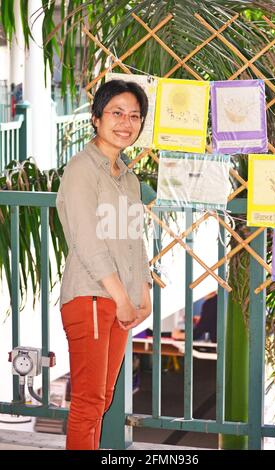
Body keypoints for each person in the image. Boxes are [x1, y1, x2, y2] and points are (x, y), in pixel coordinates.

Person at [56, 80, 153, 450]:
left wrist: (142, 293)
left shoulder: (127, 178)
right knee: (89, 402)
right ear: (96, 118)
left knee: (102, 399)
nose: (125, 123)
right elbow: (88, 242)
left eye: (134, 116)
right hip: (92, 298)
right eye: (116, 113)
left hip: (119, 301)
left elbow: (134, 240)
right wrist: (121, 298)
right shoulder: (82, 170)